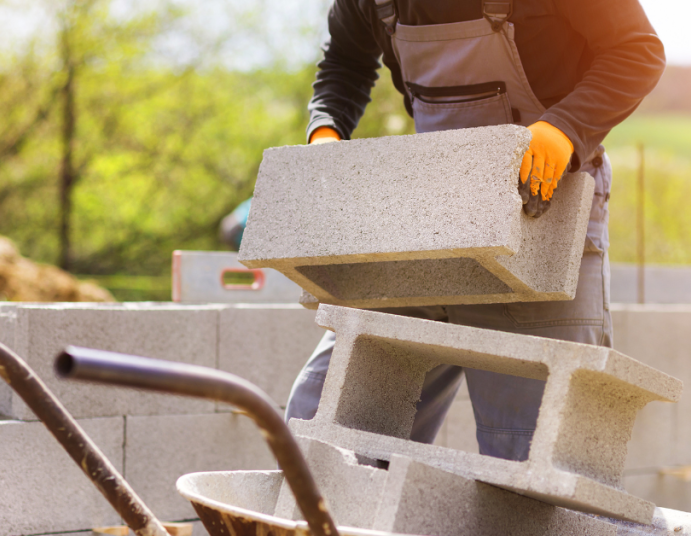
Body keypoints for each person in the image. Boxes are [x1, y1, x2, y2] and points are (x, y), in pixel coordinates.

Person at [285, 0, 665, 462]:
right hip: (428, 215)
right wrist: (326, 131)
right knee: (325, 429)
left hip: (540, 217)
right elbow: (344, 62)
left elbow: (637, 50)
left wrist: (566, 128)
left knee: (532, 458)